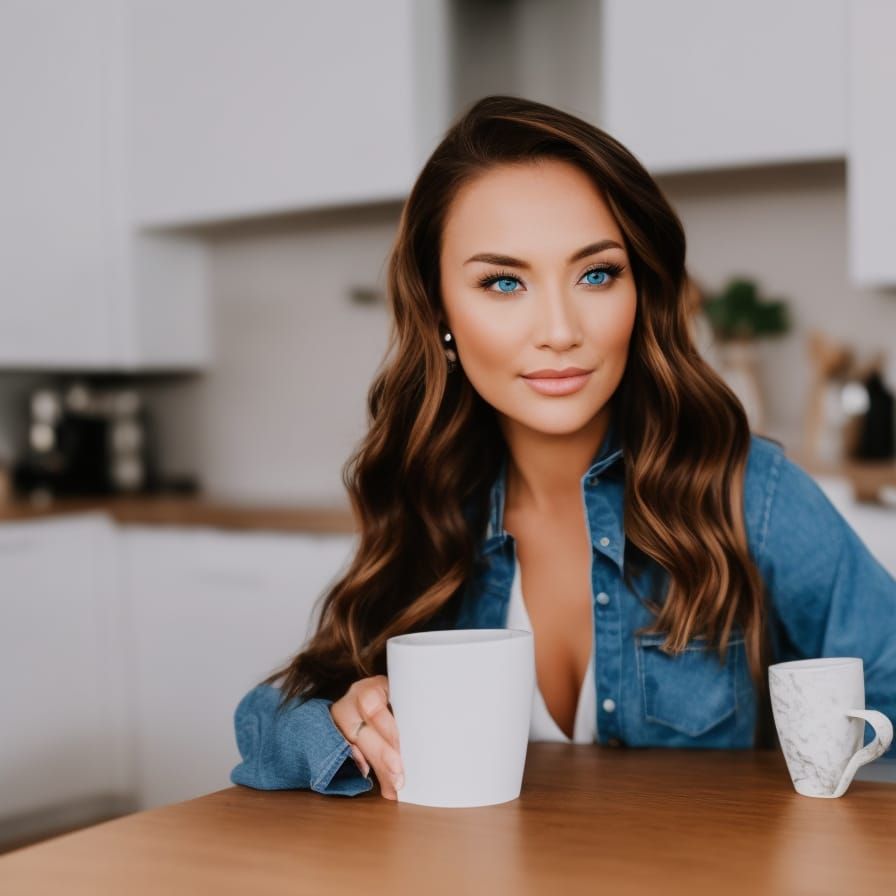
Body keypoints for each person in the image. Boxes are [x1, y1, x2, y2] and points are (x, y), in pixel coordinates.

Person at [230, 95, 896, 800]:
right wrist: (342, 724)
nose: (559, 328)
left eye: (597, 274)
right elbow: (267, 720)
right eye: (504, 282)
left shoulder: (745, 494)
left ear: (642, 291)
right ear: (439, 312)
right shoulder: (435, 503)